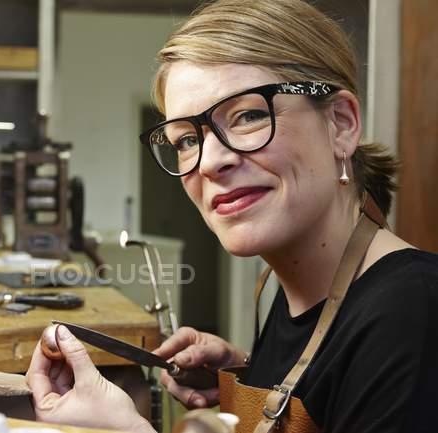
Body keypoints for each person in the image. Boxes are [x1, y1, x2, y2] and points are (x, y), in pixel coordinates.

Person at [26, 1, 438, 432]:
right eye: (185, 140)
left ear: (341, 124)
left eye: (248, 116)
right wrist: (246, 371)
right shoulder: (295, 289)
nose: (208, 163)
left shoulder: (414, 314)